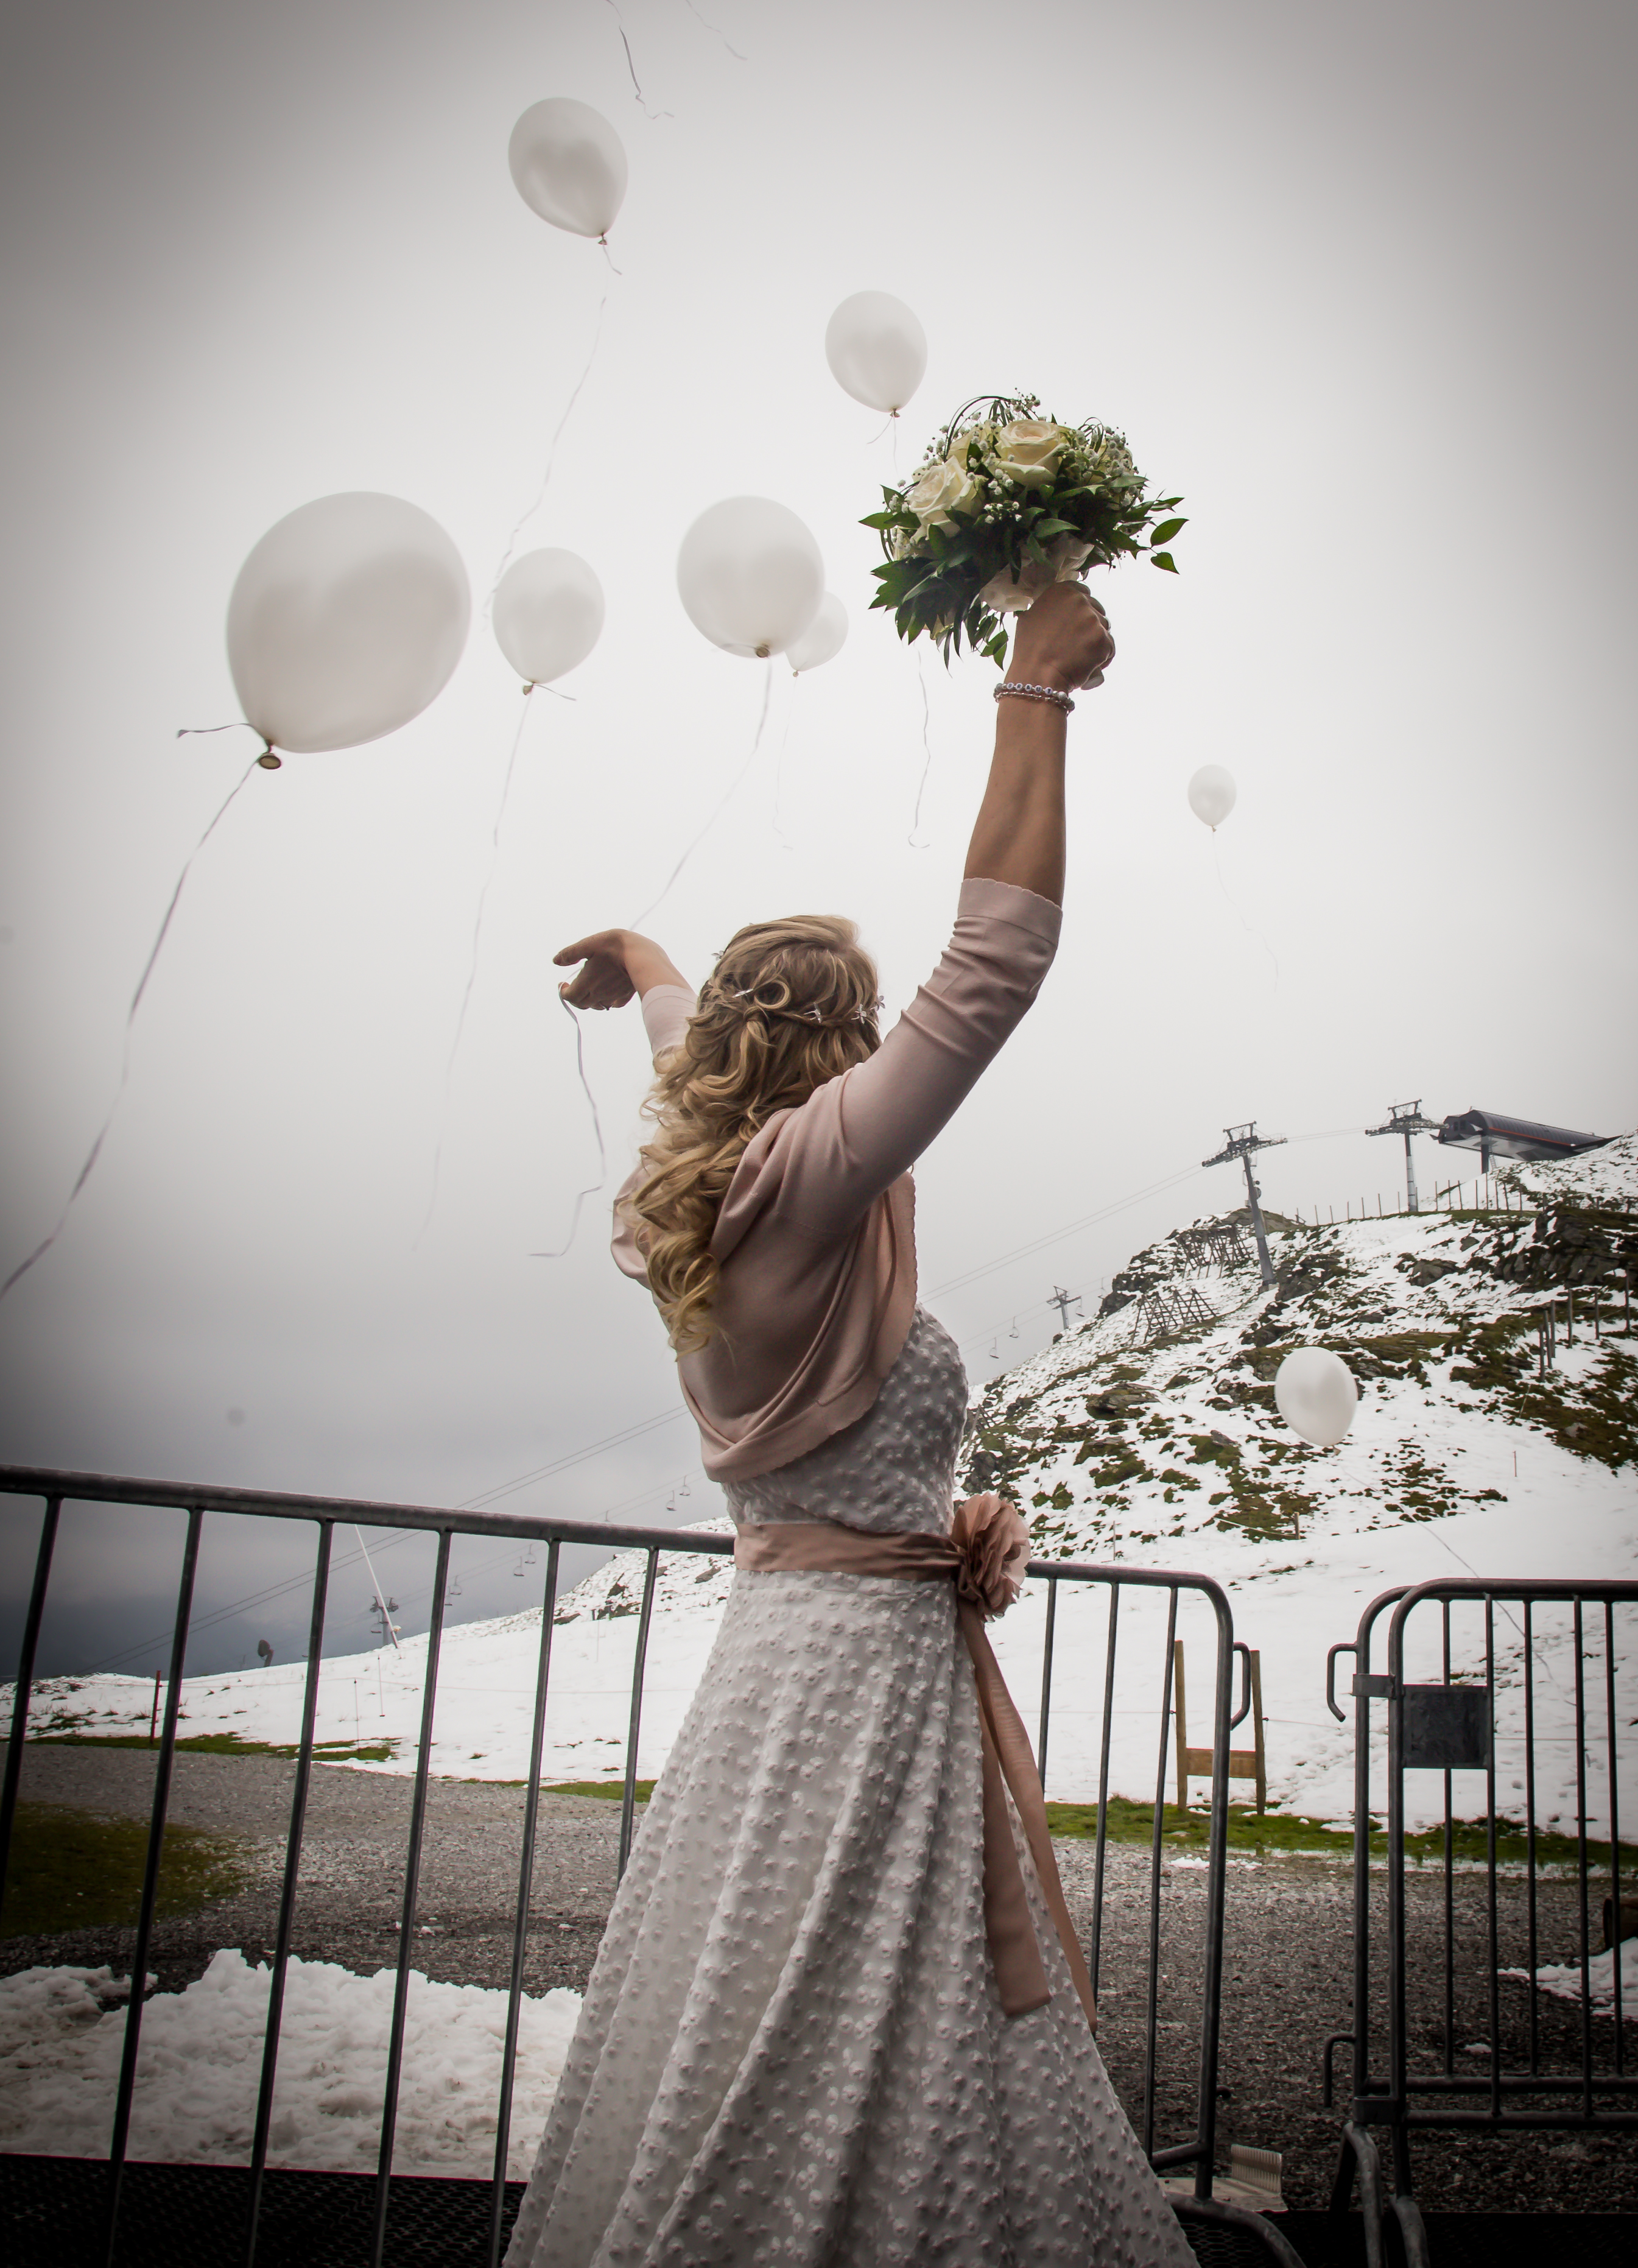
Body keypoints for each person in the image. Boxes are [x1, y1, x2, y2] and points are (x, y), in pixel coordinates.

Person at [506, 585, 1194, 2268]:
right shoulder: (813, 1181)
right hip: (866, 1689)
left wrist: (660, 964)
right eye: (865, 1039)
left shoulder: (708, 1194)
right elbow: (994, 971)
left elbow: (688, 1061)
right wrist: (1032, 690)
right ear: (831, 1058)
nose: (891, 1057)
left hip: (779, 1672)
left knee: (768, 2004)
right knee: (864, 2000)